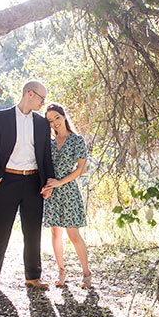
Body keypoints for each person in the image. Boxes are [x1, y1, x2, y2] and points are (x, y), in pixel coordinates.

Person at [0, 79, 55, 291]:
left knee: (33, 231)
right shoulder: (0, 118)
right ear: (29, 93)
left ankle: (33, 278)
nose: (42, 103)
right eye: (41, 98)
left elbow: (46, 156)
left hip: (34, 181)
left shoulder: (42, 123)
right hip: (8, 180)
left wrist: (48, 183)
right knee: (0, 230)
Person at [42, 103, 92, 288]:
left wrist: (60, 182)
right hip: (53, 192)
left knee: (73, 235)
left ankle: (86, 273)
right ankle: (61, 271)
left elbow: (81, 169)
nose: (55, 123)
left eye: (57, 117)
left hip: (69, 190)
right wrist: (47, 187)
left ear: (63, 116)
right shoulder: (49, 144)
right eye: (50, 121)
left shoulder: (77, 140)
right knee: (55, 233)